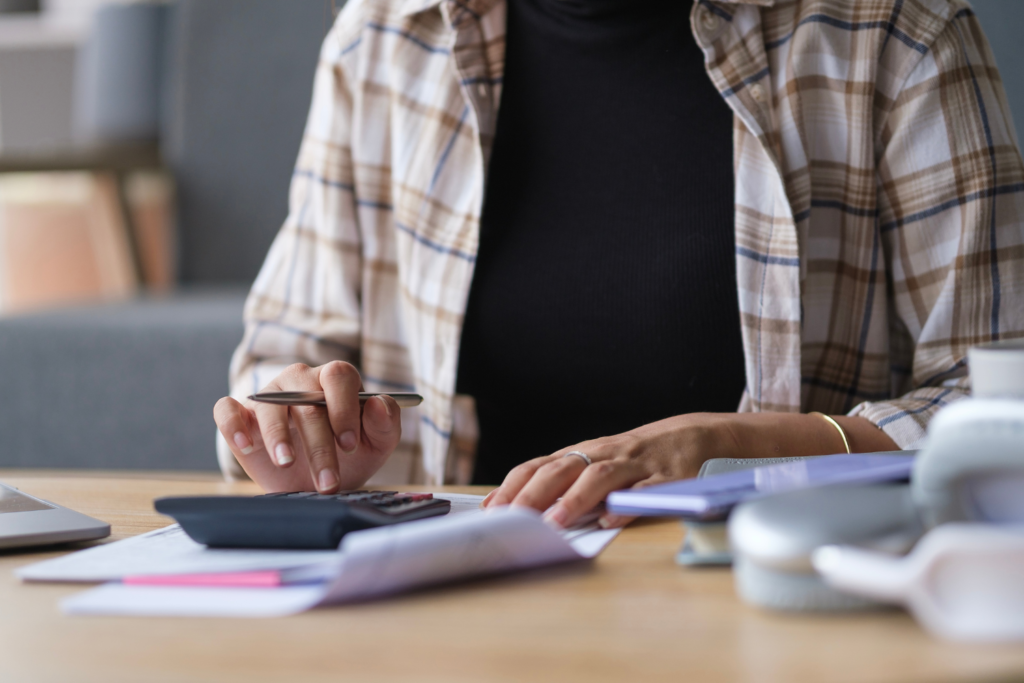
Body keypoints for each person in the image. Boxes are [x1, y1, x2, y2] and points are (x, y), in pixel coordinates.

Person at [213, 0, 1024, 530]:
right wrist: (310, 437)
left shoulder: (896, 35)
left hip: (778, 594)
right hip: (455, 603)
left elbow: (1002, 402)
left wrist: (733, 446)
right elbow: (278, 356)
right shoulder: (384, 34)